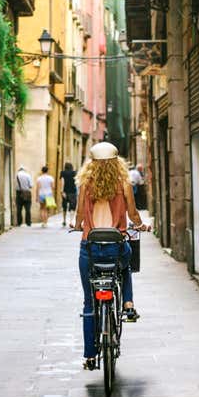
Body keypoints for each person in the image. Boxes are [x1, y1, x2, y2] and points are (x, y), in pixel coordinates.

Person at [73, 142, 149, 370]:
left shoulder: (86, 184)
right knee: (126, 265)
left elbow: (78, 213)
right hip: (115, 246)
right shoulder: (123, 183)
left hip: (90, 247)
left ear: (92, 164)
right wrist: (140, 225)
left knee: (89, 302)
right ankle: (127, 303)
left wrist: (77, 225)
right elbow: (133, 213)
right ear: (117, 163)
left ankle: (89, 355)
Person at [60, 162, 77, 227]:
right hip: (73, 192)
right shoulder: (74, 173)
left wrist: (62, 191)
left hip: (65, 192)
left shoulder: (63, 173)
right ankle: (71, 221)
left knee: (64, 206)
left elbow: (62, 181)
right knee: (72, 207)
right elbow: (76, 182)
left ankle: (64, 220)